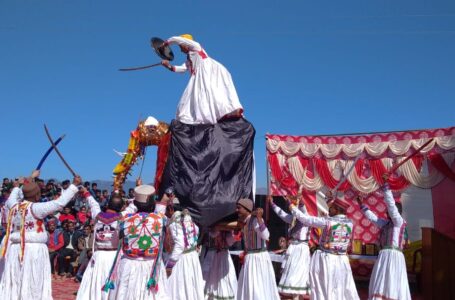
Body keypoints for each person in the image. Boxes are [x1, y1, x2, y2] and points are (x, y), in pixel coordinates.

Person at [0, 171, 81, 300]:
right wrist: (74, 186)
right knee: (33, 280)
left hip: (15, 249)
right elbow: (59, 203)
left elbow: (13, 196)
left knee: (17, 279)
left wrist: (19, 185)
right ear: (38, 195)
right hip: (33, 251)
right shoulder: (37, 208)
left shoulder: (13, 206)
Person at [288, 192, 359, 300]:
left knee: (325, 286)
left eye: (331, 208)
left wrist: (292, 207)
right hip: (342, 260)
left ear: (336, 209)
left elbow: (306, 219)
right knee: (341, 286)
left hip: (327, 260)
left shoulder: (328, 221)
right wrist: (303, 203)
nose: (328, 210)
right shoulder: (350, 223)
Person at [161, 34, 243, 125]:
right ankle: (203, 119)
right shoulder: (189, 60)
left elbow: (178, 40)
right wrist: (168, 66)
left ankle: (212, 116)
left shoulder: (196, 47)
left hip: (208, 74)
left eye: (181, 46)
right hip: (198, 79)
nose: (180, 49)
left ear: (186, 44)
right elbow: (181, 69)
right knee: (194, 101)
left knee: (210, 96)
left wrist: (166, 43)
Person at [356, 174, 411, 300]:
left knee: (392, 280)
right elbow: (373, 218)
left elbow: (392, 207)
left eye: (389, 211)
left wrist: (386, 187)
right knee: (381, 280)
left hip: (393, 256)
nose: (386, 212)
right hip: (384, 255)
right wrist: (361, 205)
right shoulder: (386, 224)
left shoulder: (398, 222)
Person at [110, 185, 169, 300]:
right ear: (152, 203)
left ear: (135, 203)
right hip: (151, 265)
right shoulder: (161, 219)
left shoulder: (124, 220)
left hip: (128, 265)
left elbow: (117, 237)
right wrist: (162, 202)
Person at [76, 189, 137, 300]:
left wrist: (86, 192)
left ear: (108, 204)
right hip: (114, 256)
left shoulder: (97, 215)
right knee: (112, 284)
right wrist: (134, 195)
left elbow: (93, 203)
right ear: (120, 207)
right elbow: (133, 207)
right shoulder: (122, 216)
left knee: (96, 282)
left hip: (98, 256)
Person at [236, 198, 280, 300]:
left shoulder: (255, 220)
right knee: (249, 286)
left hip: (258, 258)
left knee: (257, 287)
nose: (237, 210)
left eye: (239, 208)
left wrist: (260, 218)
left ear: (246, 209)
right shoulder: (245, 222)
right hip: (250, 259)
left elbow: (266, 235)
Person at [269, 195, 311, 299]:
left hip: (301, 249)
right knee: (291, 272)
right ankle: (295, 296)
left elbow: (302, 210)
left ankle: (297, 296)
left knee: (298, 273)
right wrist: (272, 204)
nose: (293, 209)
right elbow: (281, 214)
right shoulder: (294, 219)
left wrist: (300, 202)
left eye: (294, 207)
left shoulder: (306, 218)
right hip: (293, 248)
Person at [166, 207, 205, 300]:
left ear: (171, 209)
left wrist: (170, 265)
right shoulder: (191, 219)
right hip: (193, 257)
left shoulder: (175, 222)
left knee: (180, 286)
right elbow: (197, 233)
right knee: (192, 285)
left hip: (181, 259)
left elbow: (180, 245)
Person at [204, 227, 238, 300]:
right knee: (215, 278)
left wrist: (234, 233)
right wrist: (219, 229)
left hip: (225, 255)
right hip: (216, 256)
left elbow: (230, 242)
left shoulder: (228, 231)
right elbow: (213, 234)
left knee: (227, 278)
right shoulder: (213, 230)